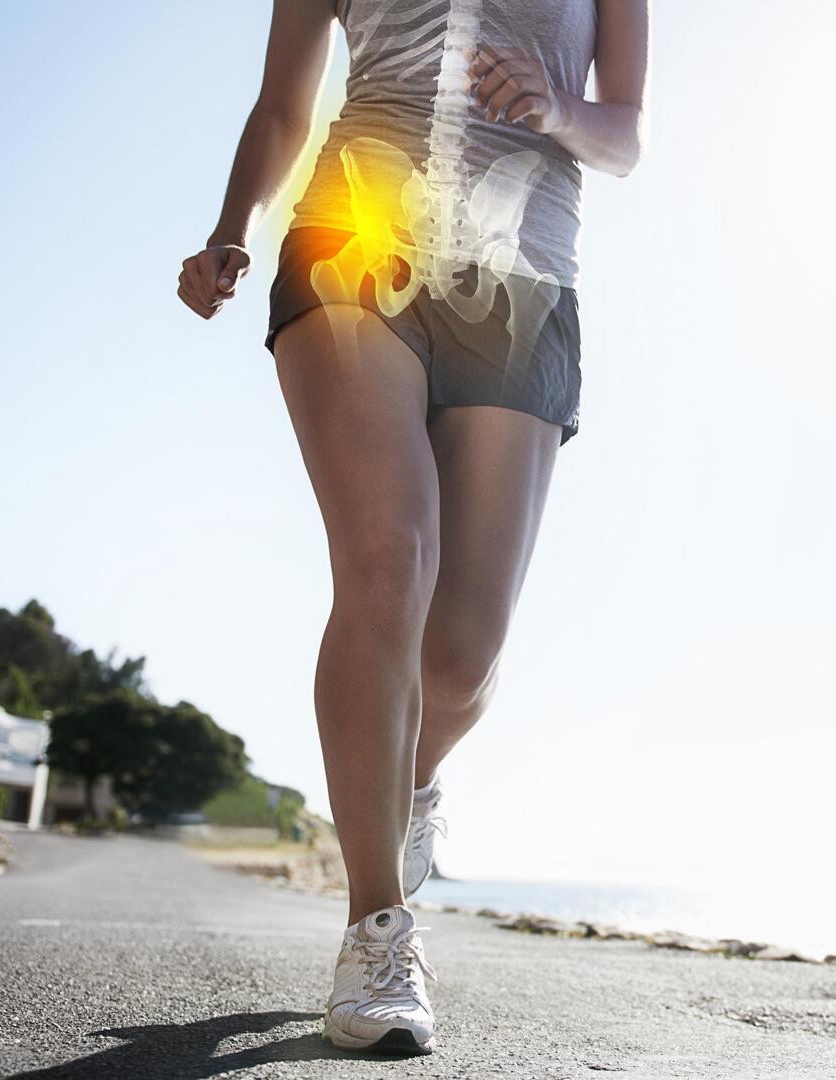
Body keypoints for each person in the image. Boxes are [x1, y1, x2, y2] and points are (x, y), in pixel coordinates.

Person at [176, 0, 648, 1056]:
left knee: (463, 659)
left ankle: (411, 779)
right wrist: (230, 230)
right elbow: (283, 105)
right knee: (389, 558)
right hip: (352, 236)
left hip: (522, 280)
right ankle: (377, 930)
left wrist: (557, 108)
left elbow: (625, 133)